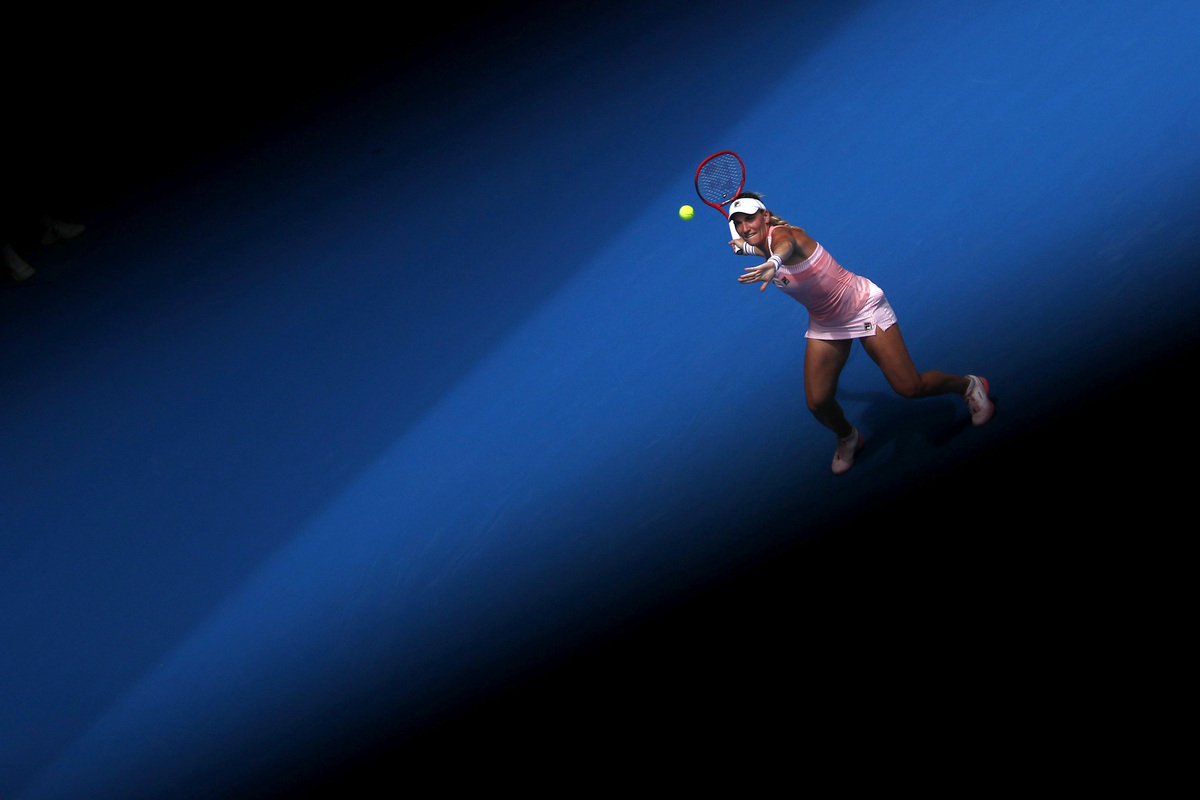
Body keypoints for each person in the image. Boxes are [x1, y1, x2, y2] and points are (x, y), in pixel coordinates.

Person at [728, 192, 993, 474]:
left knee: (910, 388)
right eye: (739, 223)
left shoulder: (786, 236)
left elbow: (783, 246)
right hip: (826, 322)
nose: (745, 227)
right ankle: (848, 436)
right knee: (818, 402)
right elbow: (758, 247)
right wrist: (744, 248)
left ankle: (968, 386)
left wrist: (774, 263)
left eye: (750, 219)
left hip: (863, 307)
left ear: (766, 216)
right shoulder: (759, 244)